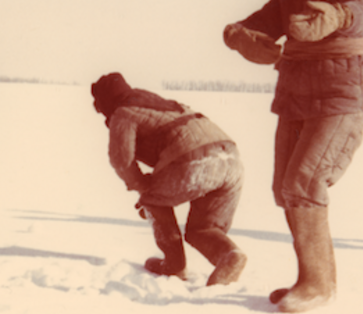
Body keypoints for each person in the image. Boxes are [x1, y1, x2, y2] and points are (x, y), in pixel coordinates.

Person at [223, 0, 363, 312]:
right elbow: (260, 22)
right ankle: (307, 280)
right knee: (285, 189)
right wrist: (241, 35)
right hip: (294, 95)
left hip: (339, 98)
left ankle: (318, 286)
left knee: (304, 184)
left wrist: (337, 16)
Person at [92, 73, 247, 286]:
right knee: (203, 228)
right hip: (231, 160)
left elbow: (121, 159)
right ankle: (230, 255)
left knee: (153, 202)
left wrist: (142, 187)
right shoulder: (165, 104)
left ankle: (174, 265)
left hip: (194, 160)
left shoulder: (123, 112)